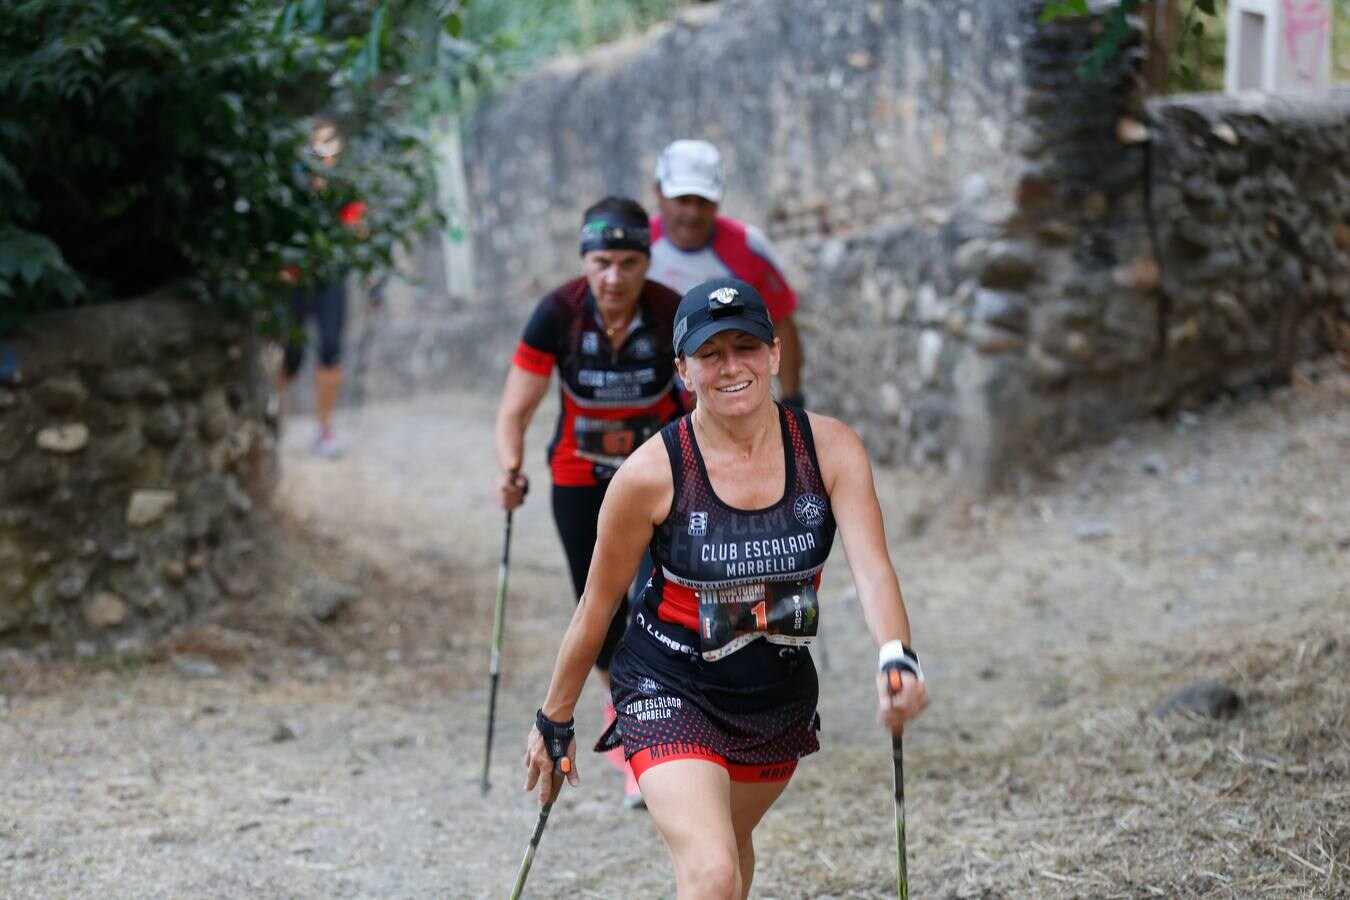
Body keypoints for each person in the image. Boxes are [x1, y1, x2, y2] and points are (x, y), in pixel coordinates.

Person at [523, 277, 928, 896]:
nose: (730, 367)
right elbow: (598, 604)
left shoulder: (830, 449)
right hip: (667, 679)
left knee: (729, 858)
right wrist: (554, 719)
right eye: (710, 354)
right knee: (711, 869)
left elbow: (873, 567)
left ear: (775, 355)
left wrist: (896, 655)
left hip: (774, 693)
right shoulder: (650, 475)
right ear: (683, 370)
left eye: (746, 347)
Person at [493, 196, 686, 807]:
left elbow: (700, 398)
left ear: (646, 262)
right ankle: (629, 723)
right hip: (580, 477)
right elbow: (515, 408)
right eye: (602, 261)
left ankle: (651, 734)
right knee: (599, 607)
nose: (614, 277)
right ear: (585, 261)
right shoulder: (557, 313)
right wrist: (511, 468)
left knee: (659, 601)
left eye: (629, 262)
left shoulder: (669, 312)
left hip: (658, 478)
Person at [648, 139, 807, 408]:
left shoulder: (748, 247)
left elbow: (781, 321)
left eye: (703, 201)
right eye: (683, 200)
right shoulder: (638, 250)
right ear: (659, 193)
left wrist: (792, 399)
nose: (692, 212)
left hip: (729, 395)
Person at [278, 119, 368, 459]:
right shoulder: (290, 187)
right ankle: (276, 420)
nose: (325, 151)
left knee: (331, 348)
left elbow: (358, 229)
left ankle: (324, 427)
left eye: (331, 144)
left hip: (331, 277)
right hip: (294, 279)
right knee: (292, 355)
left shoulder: (344, 188)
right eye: (319, 144)